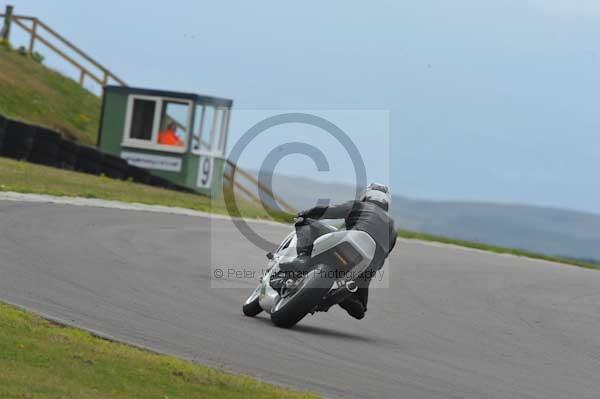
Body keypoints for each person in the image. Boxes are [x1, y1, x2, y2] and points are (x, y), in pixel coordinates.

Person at [282, 183, 397, 320]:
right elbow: (384, 256)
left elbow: (328, 211)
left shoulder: (358, 205)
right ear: (386, 202)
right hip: (367, 264)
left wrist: (304, 213)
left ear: (366, 195)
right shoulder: (392, 227)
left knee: (305, 222)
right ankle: (341, 294)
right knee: (359, 309)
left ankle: (302, 258)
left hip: (348, 243)